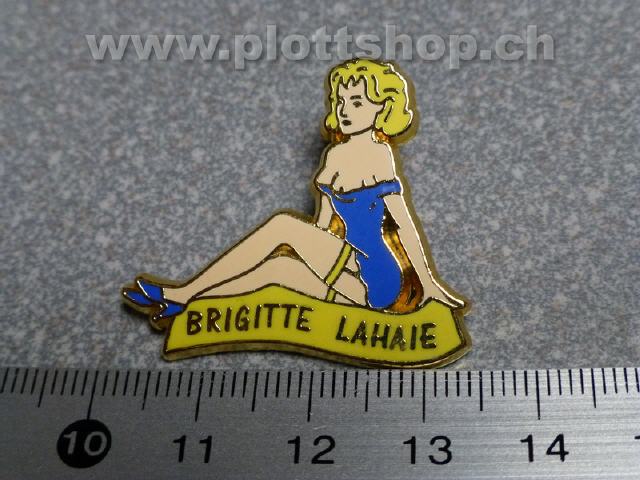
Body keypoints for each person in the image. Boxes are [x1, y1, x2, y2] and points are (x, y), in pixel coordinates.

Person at [123, 58, 465, 323]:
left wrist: (429, 283)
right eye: (341, 101)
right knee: (276, 270)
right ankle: (188, 304)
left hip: (379, 277)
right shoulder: (334, 155)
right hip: (347, 271)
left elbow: (402, 223)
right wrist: (300, 253)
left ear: (383, 108)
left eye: (358, 103)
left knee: (283, 226)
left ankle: (185, 293)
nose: (345, 110)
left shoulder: (379, 154)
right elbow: (324, 227)